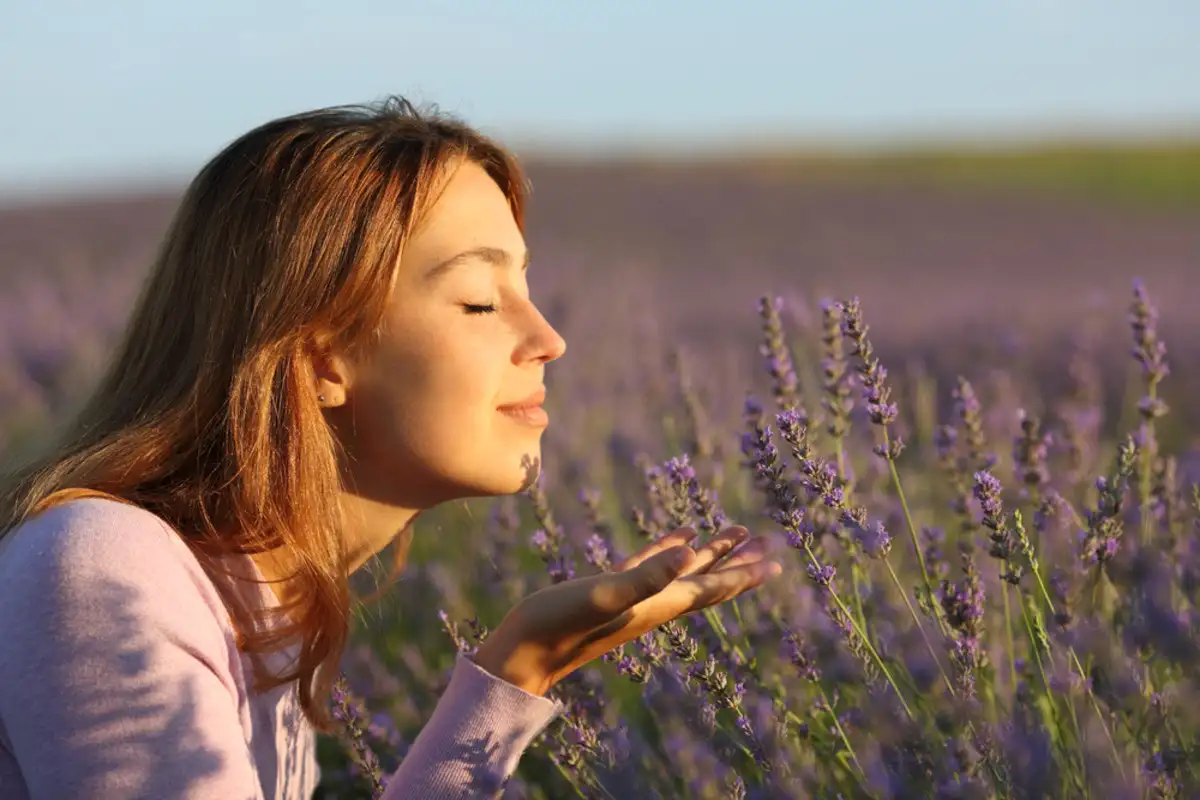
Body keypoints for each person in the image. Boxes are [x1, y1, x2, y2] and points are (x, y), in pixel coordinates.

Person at [0, 97, 782, 799]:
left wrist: (520, 672)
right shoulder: (105, 572)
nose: (549, 338)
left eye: (527, 289)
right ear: (320, 357)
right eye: (479, 302)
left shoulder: (267, 607)